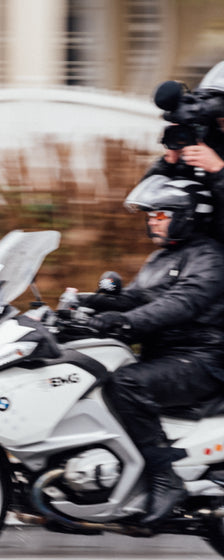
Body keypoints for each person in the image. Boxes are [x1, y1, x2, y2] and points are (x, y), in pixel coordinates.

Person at [82, 176, 224, 524]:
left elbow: (181, 303)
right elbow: (138, 297)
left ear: (187, 216)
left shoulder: (210, 257)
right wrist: (86, 304)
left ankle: (165, 478)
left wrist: (125, 323)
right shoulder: (161, 258)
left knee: (126, 383)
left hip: (203, 358)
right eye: (150, 215)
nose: (152, 220)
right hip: (168, 355)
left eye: (161, 214)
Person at [144, 60, 224, 244]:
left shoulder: (213, 156)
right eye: (219, 118)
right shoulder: (205, 140)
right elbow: (151, 200)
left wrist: (218, 169)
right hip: (197, 253)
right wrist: (169, 161)